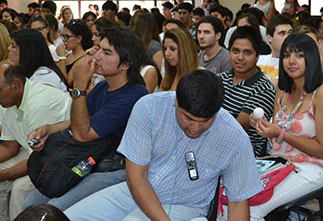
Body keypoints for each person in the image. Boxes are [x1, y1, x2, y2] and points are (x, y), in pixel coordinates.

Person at [64, 69, 262, 221]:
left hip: (186, 206)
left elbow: (238, 201)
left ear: (218, 110)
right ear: (176, 100)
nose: (195, 127)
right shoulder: (149, 107)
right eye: (188, 118)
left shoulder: (233, 137)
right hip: (135, 190)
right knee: (69, 217)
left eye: (205, 121)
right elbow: (136, 178)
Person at [23, 27, 148, 212]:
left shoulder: (133, 95)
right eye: (98, 49)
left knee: (55, 209)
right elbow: (78, 122)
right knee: (30, 203)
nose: (97, 56)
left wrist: (80, 87)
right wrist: (48, 129)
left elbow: (83, 134)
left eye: (107, 53)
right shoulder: (102, 87)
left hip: (115, 168)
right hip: (90, 159)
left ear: (125, 64)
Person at [242, 33, 323, 221]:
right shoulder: (284, 91)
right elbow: (276, 135)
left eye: (299, 55)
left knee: (250, 210)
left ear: (310, 58)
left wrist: (281, 133)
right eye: (286, 55)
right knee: (232, 197)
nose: (291, 61)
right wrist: (262, 127)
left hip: (310, 167)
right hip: (278, 162)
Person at [0, 62, 72, 221]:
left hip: (59, 158)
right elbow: (9, 146)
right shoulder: (7, 100)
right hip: (33, 152)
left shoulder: (39, 104)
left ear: (16, 85)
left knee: (20, 189)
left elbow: (37, 162)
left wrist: (4, 174)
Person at [218, 26, 275, 157]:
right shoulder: (219, 79)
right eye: (235, 51)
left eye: (247, 53)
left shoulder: (264, 89)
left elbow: (236, 128)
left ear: (257, 56)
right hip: (214, 147)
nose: (240, 57)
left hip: (245, 156)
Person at [257, 15, 293, 87]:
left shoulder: (294, 64)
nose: (287, 37)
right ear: (269, 38)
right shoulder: (258, 59)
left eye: (290, 33)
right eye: (282, 33)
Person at [60, 19, 93, 87]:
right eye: (62, 36)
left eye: (67, 37)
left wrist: (62, 57)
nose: (63, 40)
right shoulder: (68, 55)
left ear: (79, 38)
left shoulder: (84, 59)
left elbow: (67, 82)